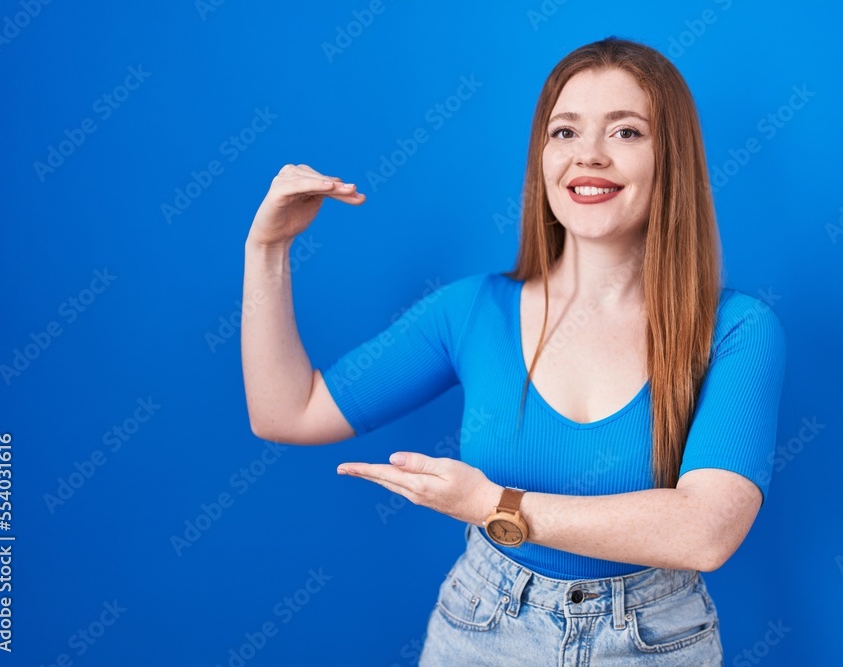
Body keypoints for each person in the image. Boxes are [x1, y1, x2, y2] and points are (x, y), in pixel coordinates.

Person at [241, 36, 786, 665]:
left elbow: (706, 532)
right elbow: (287, 412)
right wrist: (268, 251)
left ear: (673, 158)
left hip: (655, 640)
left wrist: (494, 507)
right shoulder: (473, 311)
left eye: (627, 133)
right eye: (565, 132)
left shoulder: (737, 329)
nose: (589, 156)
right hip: (482, 629)